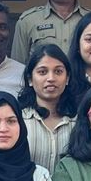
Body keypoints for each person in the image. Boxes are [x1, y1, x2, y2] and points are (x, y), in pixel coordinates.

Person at [19, 43, 76, 172]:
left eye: (58, 71)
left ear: (67, 78)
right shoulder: (18, 120)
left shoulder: (78, 120)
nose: (51, 78)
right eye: (42, 72)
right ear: (30, 79)